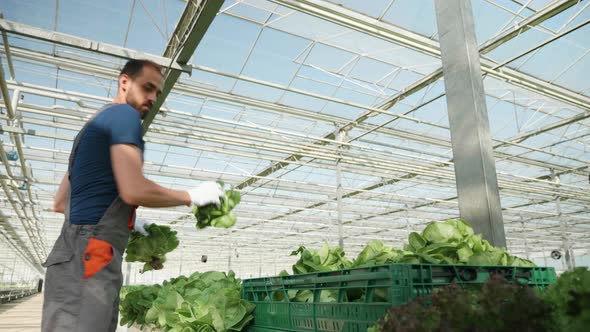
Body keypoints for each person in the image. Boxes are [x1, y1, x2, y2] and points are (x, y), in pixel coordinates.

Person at [41, 59, 224, 332]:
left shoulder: (90, 130)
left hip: (73, 253)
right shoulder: (124, 116)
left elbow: (60, 203)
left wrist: (129, 224)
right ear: (124, 82)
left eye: (157, 93)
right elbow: (133, 189)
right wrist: (192, 195)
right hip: (92, 254)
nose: (152, 98)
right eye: (148, 88)